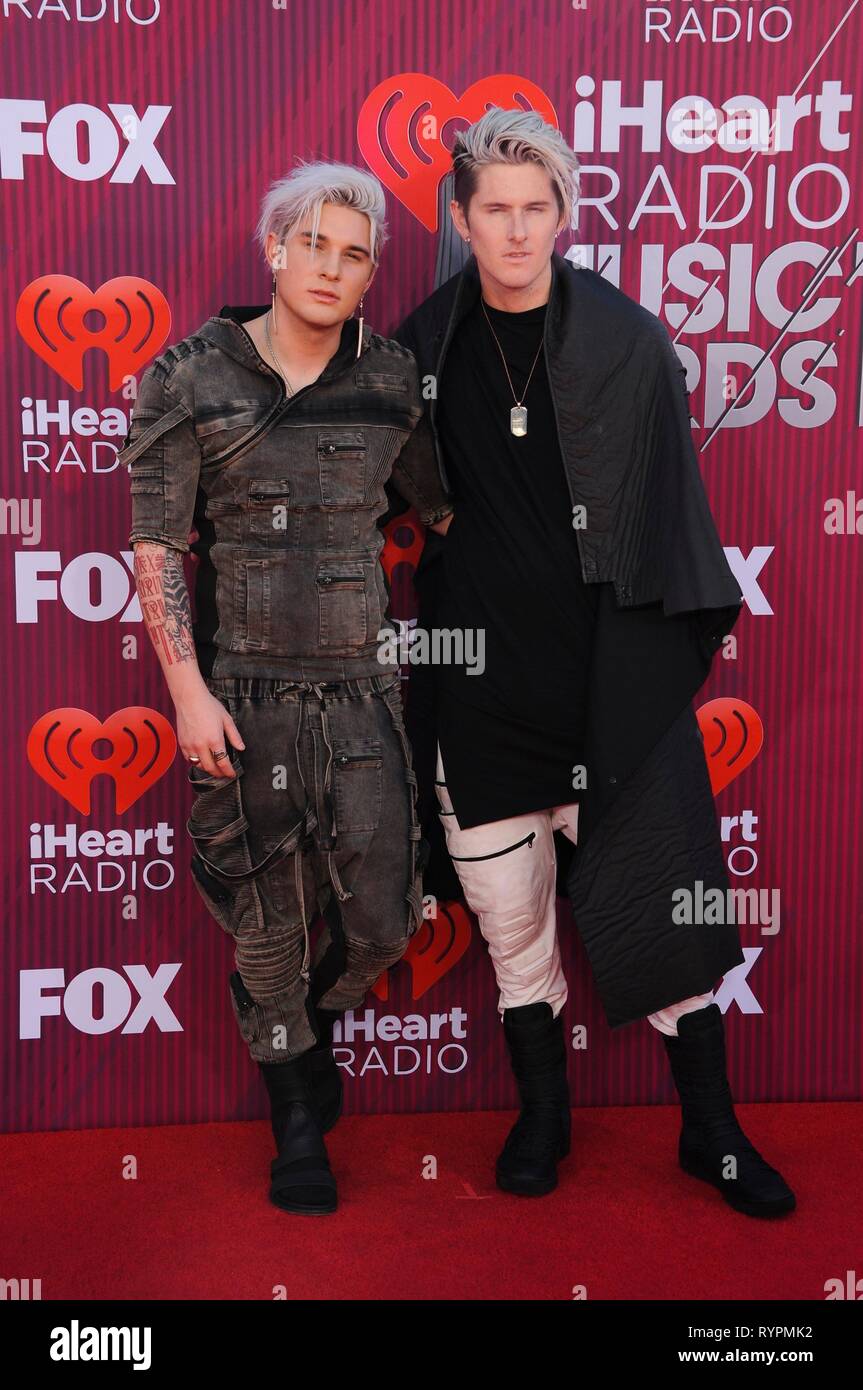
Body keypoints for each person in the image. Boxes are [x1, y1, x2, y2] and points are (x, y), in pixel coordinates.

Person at [393, 109, 795, 1217]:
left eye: (536, 210)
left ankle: (709, 1132)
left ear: (563, 215)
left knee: (660, 913)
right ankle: (543, 1113)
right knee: (510, 919)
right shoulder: (420, 349)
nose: (516, 232)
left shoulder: (623, 341)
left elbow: (671, 520)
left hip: (608, 689)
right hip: (479, 691)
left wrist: (648, 673)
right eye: (495, 211)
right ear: (462, 218)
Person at [120, 160, 454, 1215]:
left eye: (352, 253)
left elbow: (444, 513)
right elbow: (157, 545)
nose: (329, 265)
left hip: (365, 692)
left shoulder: (396, 380)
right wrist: (185, 691)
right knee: (265, 923)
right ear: (273, 248)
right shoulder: (189, 375)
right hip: (244, 691)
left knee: (384, 924)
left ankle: (298, 1026)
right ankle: (295, 1119)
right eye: (311, 242)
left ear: (367, 277)